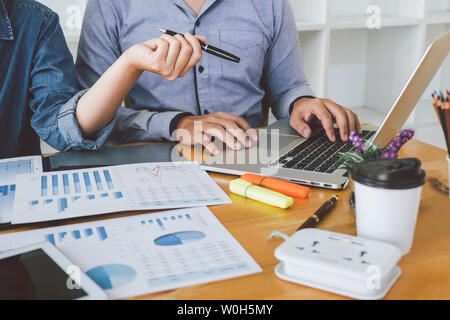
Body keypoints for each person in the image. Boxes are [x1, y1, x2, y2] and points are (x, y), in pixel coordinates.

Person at [77, 0, 361, 155]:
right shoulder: (109, 4)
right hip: (153, 158)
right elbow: (88, 112)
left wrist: (301, 102)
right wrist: (175, 124)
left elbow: (288, 86)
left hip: (248, 158)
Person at [0, 0, 203, 159]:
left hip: (220, 153)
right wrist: (172, 123)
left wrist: (129, 63)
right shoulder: (107, 6)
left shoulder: (36, 21)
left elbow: (66, 127)